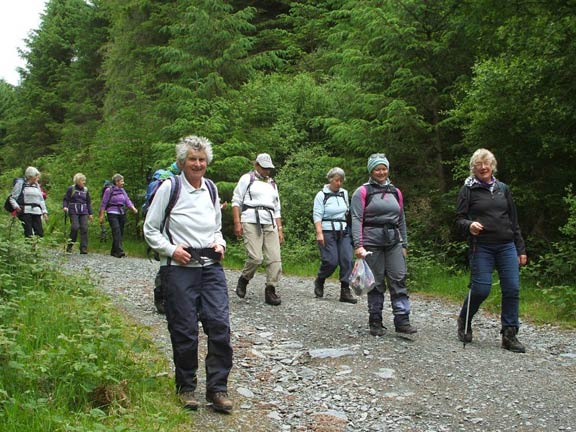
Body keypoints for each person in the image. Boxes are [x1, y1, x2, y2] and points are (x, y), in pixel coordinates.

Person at [144, 135, 233, 413]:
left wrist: (220, 243)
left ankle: (217, 389)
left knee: (219, 327)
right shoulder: (169, 188)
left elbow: (217, 227)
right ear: (182, 162)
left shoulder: (211, 188)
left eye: (202, 159)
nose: (198, 164)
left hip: (211, 268)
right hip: (179, 270)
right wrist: (171, 250)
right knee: (184, 331)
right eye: (192, 159)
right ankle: (186, 388)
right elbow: (150, 228)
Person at [455, 148, 527, 353]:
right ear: (473, 168)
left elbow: (513, 221)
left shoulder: (503, 188)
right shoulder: (467, 190)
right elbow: (458, 219)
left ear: (492, 166)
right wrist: (469, 225)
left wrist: (520, 248)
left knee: (512, 288)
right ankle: (464, 320)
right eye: (479, 164)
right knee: (481, 289)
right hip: (482, 246)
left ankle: (509, 334)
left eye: (486, 163)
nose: (483, 167)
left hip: (506, 245)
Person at [350, 154, 416, 336]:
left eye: (384, 168)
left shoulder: (396, 192)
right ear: (371, 171)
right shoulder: (362, 192)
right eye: (377, 169)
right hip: (371, 243)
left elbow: (401, 218)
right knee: (376, 283)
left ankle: (402, 320)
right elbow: (356, 219)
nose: (381, 172)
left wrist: (404, 243)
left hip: (394, 241)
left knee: (398, 278)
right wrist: (358, 245)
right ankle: (375, 321)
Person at [232, 153, 283, 306]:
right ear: (257, 165)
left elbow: (277, 209)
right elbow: (236, 201)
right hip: (250, 219)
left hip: (269, 221)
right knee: (256, 257)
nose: (267, 171)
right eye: (264, 167)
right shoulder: (247, 179)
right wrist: (237, 222)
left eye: (269, 168)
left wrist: (280, 228)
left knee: (275, 259)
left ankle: (270, 289)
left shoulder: (272, 184)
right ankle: (244, 278)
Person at [312, 167, 357, 304]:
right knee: (331, 260)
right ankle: (320, 279)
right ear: (330, 179)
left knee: (347, 259)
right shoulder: (321, 195)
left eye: (341, 181)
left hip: (343, 231)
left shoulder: (344, 193)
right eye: (337, 180)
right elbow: (317, 215)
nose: (339, 183)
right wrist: (319, 233)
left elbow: (348, 213)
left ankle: (345, 290)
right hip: (327, 231)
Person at [98, 174, 138, 258]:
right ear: (116, 182)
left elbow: (127, 200)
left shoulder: (122, 190)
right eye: (121, 181)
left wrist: (133, 208)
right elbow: (104, 203)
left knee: (120, 232)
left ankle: (114, 251)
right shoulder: (109, 190)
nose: (123, 183)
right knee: (116, 231)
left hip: (121, 212)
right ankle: (120, 251)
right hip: (112, 212)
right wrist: (101, 215)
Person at [9, 166, 49, 237]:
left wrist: (44, 212)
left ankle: (36, 247)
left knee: (39, 233)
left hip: (37, 212)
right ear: (31, 176)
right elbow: (12, 198)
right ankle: (30, 247)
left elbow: (41, 200)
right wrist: (16, 207)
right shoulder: (20, 184)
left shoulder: (37, 186)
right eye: (36, 176)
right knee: (28, 233)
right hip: (25, 211)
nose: (37, 178)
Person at [63, 173, 94, 254]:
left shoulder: (86, 190)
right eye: (82, 180)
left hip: (83, 211)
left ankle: (83, 248)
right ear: (77, 181)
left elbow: (88, 202)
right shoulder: (71, 189)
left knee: (84, 228)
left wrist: (90, 213)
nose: (84, 182)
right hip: (73, 211)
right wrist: (65, 207)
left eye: (84, 180)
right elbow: (66, 199)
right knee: (75, 227)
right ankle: (70, 246)